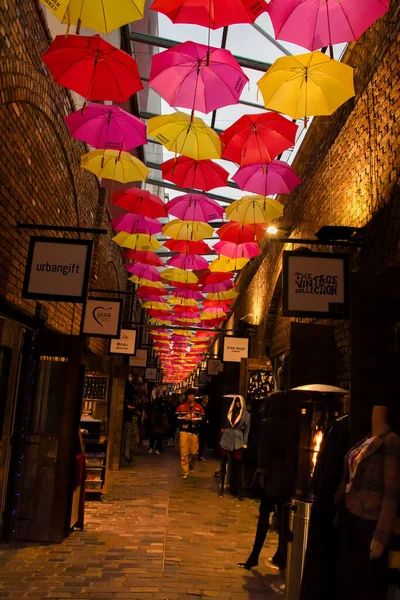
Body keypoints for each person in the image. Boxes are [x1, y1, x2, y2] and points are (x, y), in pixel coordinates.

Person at [333, 403, 400, 600]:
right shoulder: (368, 438)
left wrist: (381, 534)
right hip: (350, 514)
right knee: (348, 578)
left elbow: (392, 491)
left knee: (364, 583)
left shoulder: (391, 441)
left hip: (369, 522)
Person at [238, 389, 297, 570]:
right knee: (283, 518)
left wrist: (262, 473)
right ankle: (281, 554)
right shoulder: (293, 424)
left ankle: (254, 556)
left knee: (264, 515)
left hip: (271, 475)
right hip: (288, 476)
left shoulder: (267, 424)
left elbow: (263, 452)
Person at [219, 395, 250, 500]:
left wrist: (245, 443)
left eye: (239, 402)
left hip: (237, 440)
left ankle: (239, 490)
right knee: (224, 463)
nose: (237, 404)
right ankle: (221, 488)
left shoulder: (246, 415)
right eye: (236, 402)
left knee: (238, 466)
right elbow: (225, 424)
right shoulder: (230, 413)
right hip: (228, 438)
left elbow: (247, 430)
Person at [176, 389, 204, 479]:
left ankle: (191, 464)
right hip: (183, 431)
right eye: (190, 395)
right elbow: (176, 419)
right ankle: (185, 471)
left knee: (193, 452)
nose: (191, 397)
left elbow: (203, 419)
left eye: (193, 395)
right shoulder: (181, 407)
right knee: (184, 452)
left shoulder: (199, 407)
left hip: (194, 432)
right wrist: (185, 419)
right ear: (187, 396)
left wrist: (196, 421)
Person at [198, 395, 210, 461]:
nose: (207, 400)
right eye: (206, 399)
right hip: (200, 425)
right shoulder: (199, 406)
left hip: (205, 426)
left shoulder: (208, 407)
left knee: (203, 441)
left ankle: (201, 454)